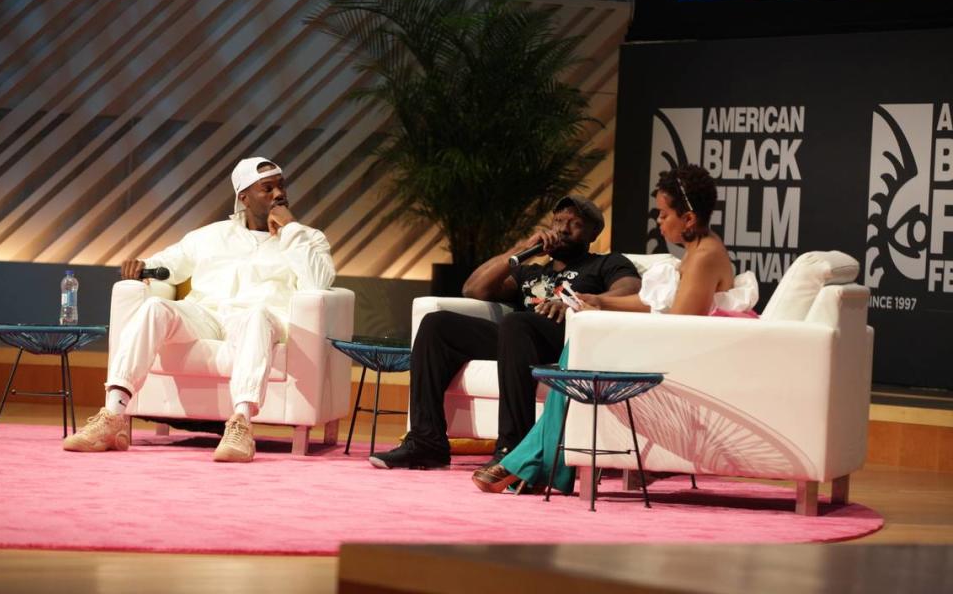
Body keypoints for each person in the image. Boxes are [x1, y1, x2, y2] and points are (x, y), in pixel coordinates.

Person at [472, 163, 758, 494]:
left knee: (580, 354)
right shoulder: (697, 249)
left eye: (664, 215)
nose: (659, 221)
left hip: (682, 354)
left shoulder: (704, 256)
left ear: (689, 219)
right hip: (672, 342)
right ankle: (535, 464)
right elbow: (655, 303)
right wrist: (597, 301)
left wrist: (615, 328)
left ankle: (531, 464)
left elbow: (679, 327)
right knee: (577, 350)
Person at [62, 157, 336, 463]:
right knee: (155, 307)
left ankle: (242, 425)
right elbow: (170, 263)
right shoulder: (211, 235)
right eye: (267, 189)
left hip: (257, 321)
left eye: (281, 186)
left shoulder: (309, 238)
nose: (278, 194)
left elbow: (318, 282)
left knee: (257, 314)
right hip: (206, 316)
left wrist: (292, 231)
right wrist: (144, 267)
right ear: (243, 197)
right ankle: (112, 417)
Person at [368, 195, 641, 470]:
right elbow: (473, 289)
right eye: (558, 221)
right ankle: (426, 443)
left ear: (593, 233)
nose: (562, 229)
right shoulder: (531, 272)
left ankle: (513, 448)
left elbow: (630, 290)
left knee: (516, 323)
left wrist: (577, 303)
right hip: (518, 339)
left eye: (574, 224)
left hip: (568, 338)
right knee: (436, 324)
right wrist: (523, 248)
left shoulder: (606, 264)